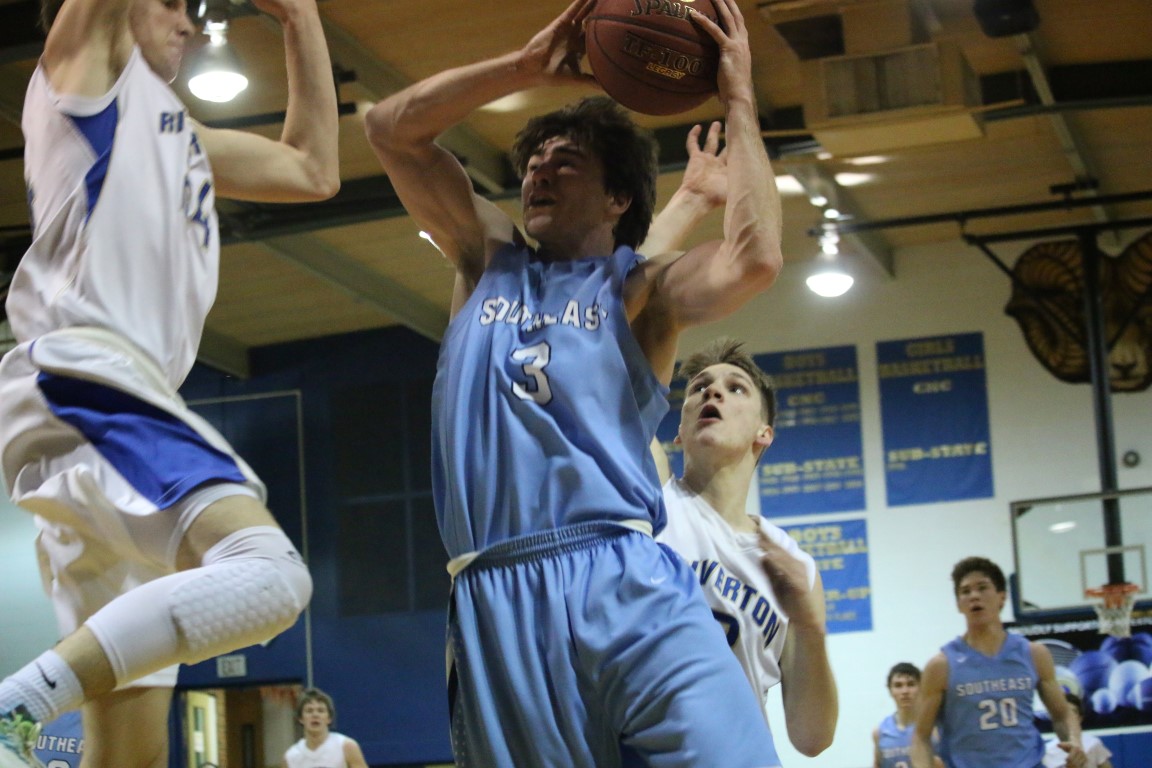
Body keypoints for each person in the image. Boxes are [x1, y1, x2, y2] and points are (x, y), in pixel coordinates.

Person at [364, 0, 784, 764]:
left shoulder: (640, 291)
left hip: (624, 573)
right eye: (534, 160)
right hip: (496, 591)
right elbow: (390, 129)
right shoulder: (484, 258)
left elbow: (754, 258)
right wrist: (522, 68)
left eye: (566, 161)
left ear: (617, 198)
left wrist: (741, 100)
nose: (538, 170)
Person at [0, 0, 339, 765]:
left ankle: (26, 708)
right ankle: (15, 708)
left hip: (111, 409)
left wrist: (301, 17)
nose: (186, 23)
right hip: (89, 381)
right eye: (168, 4)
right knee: (270, 577)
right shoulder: (83, 79)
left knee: (132, 758)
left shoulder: (178, 131)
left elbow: (313, 169)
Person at [650, 338, 838, 757]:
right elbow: (621, 387)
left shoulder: (796, 566)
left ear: (763, 433)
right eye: (699, 387)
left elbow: (812, 738)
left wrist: (810, 627)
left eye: (735, 388)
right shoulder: (653, 496)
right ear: (679, 432)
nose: (713, 392)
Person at [911, 557, 1087, 768]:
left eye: (982, 588)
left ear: (1002, 597)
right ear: (958, 604)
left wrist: (1075, 741)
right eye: (965, 591)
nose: (974, 596)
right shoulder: (941, 665)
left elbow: (1062, 714)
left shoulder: (1034, 654)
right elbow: (920, 737)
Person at [873, 662, 943, 768]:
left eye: (911, 684)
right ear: (890, 690)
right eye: (898, 685)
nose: (905, 691)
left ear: (922, 687)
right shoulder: (880, 732)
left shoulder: (934, 729)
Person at [281, 688, 369, 768]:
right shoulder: (291, 756)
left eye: (321, 711)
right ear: (300, 718)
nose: (315, 715)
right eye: (309, 711)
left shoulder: (346, 746)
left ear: (329, 718)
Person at [1042, 693, 1113, 768]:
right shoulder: (1047, 752)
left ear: (1080, 718)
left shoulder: (1093, 744)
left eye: (1073, 712)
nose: (1068, 717)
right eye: (1063, 713)